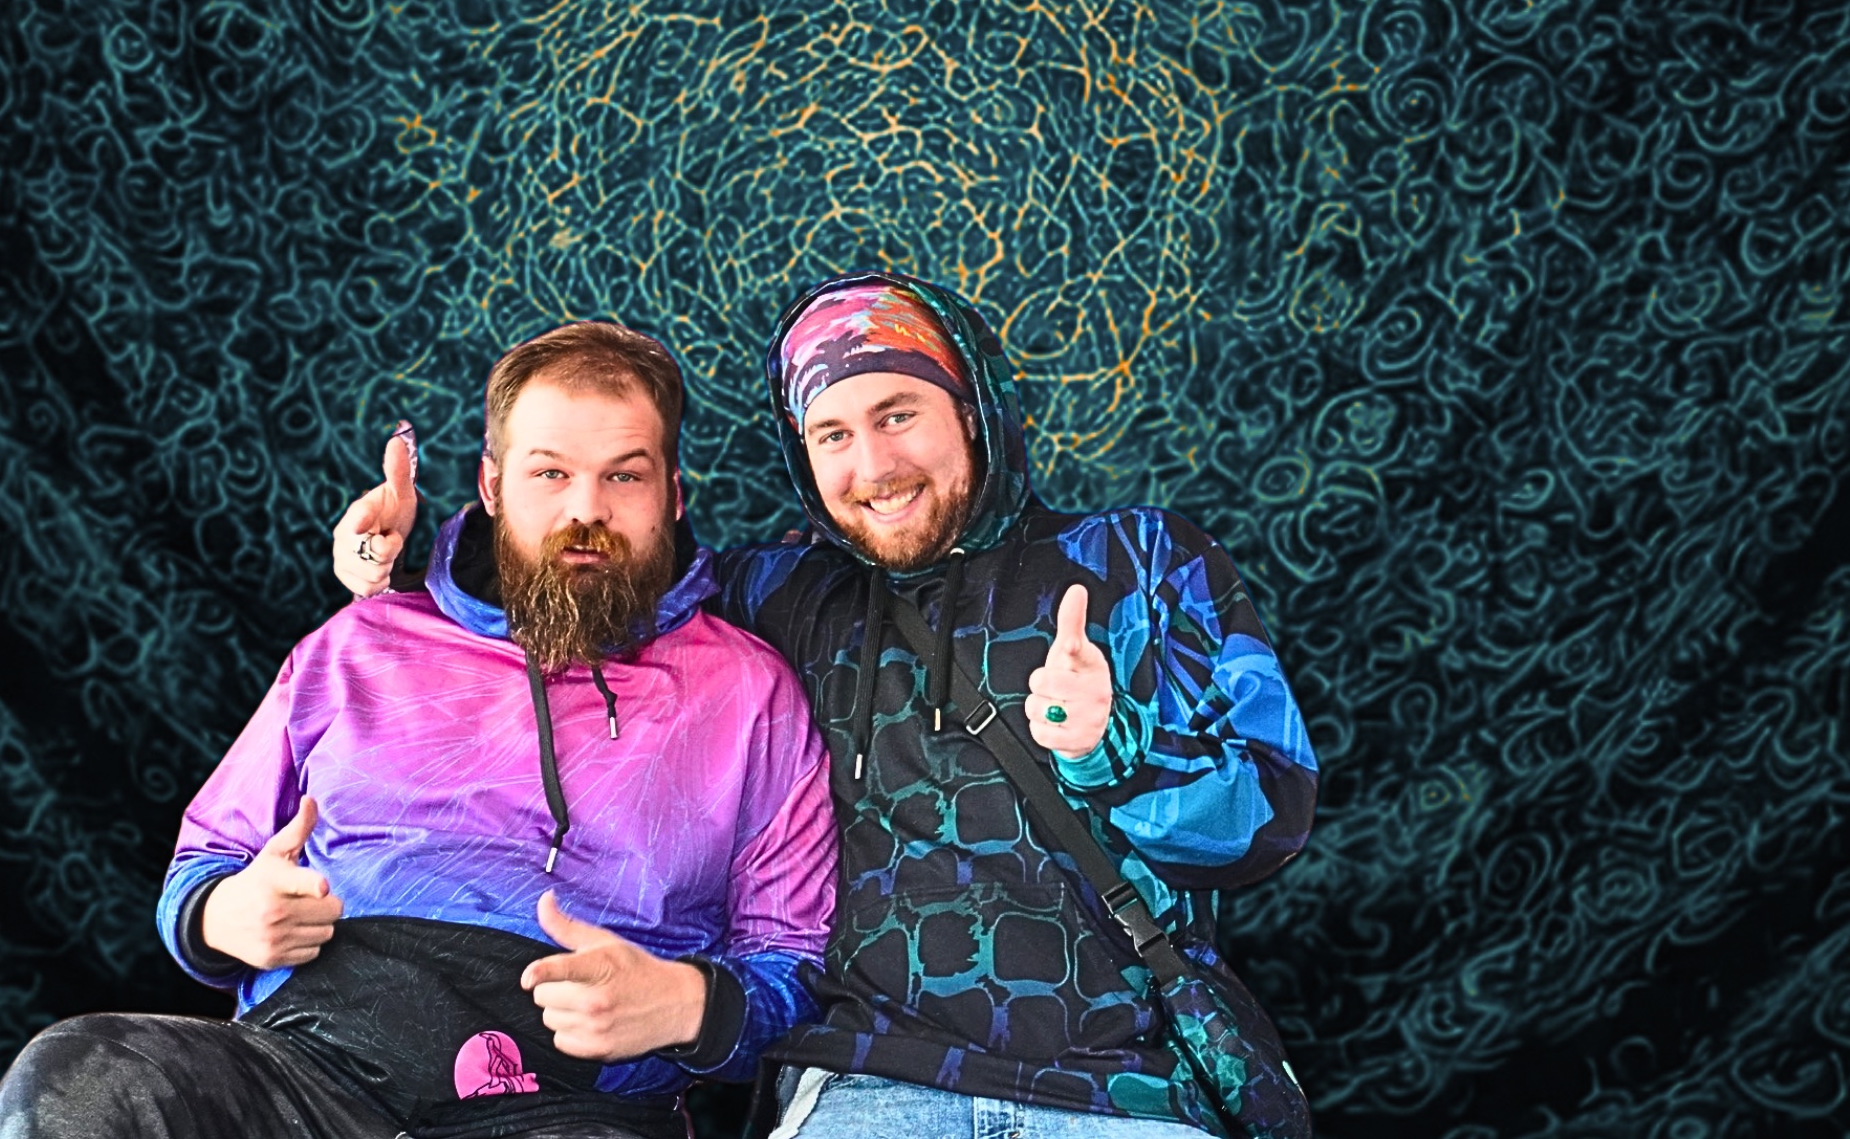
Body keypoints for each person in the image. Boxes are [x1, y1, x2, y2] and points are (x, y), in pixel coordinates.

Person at [336, 274, 1320, 1138]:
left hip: (1123, 1097)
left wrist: (1110, 754)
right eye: (832, 435)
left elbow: (1267, 821)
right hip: (862, 1090)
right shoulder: (771, 599)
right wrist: (435, 561)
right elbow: (596, 579)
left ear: (969, 410)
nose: (873, 466)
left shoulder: (1142, 562)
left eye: (898, 414)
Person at [0, 322, 836, 1139]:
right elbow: (202, 865)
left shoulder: (750, 691)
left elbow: (794, 959)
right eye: (550, 474)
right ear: (493, 486)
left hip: (574, 1109)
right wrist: (224, 914)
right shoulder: (356, 647)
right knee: (74, 1075)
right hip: (305, 1071)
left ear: (674, 494)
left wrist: (687, 1004)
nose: (588, 511)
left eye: (625, 475)